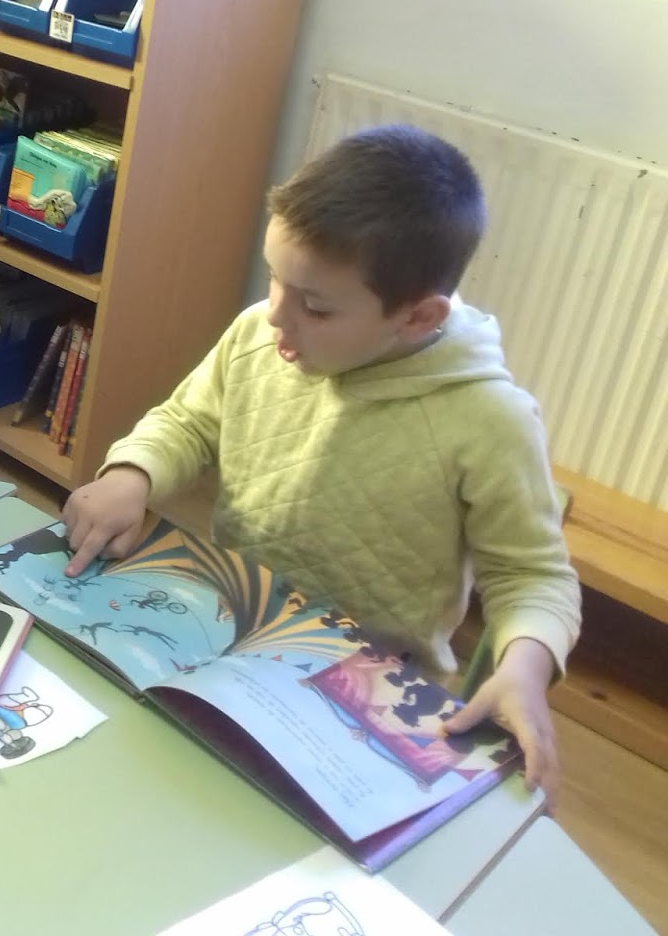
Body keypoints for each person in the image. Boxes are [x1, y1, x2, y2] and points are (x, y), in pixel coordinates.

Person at [61, 125, 581, 800]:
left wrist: (526, 666)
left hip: (363, 694)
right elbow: (188, 422)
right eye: (275, 277)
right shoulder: (259, 333)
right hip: (229, 632)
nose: (276, 315)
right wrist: (132, 474)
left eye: (314, 306)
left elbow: (533, 576)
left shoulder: (490, 420)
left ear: (418, 318)